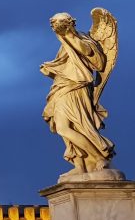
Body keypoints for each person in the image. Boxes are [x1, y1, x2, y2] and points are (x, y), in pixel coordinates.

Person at [40, 10, 117, 174]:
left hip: (77, 87)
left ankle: (99, 156)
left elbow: (95, 60)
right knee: (64, 127)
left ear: (70, 24)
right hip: (62, 86)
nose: (55, 27)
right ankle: (80, 165)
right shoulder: (64, 42)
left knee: (79, 125)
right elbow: (66, 64)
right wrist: (52, 67)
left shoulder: (82, 38)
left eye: (59, 23)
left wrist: (70, 36)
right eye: (54, 24)